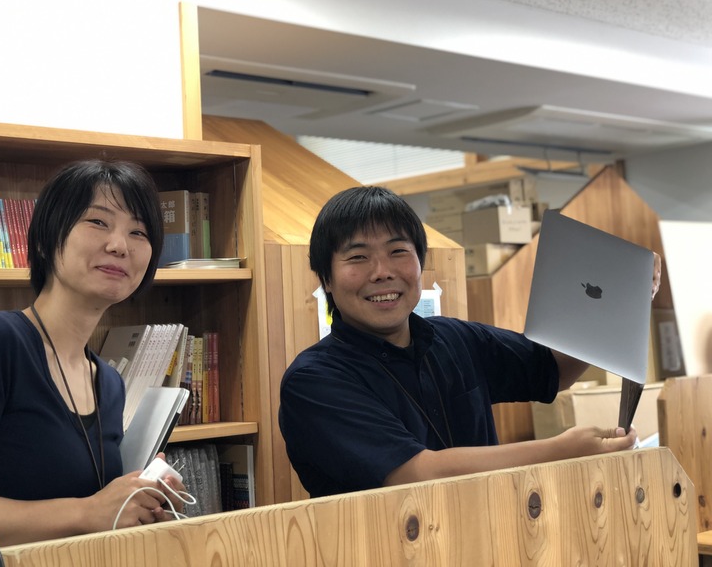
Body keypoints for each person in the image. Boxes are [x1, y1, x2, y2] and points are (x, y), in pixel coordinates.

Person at [279, 185, 661, 498]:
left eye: (398, 251)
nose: (382, 272)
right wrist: (561, 451)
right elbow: (417, 473)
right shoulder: (313, 380)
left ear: (419, 263)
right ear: (326, 279)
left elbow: (553, 370)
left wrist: (622, 299)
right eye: (358, 257)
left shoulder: (455, 339)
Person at [0, 159, 185, 547]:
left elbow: (95, 515)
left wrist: (139, 501)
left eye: (138, 232)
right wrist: (87, 512)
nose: (119, 245)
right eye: (98, 222)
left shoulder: (108, 382)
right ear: (44, 240)